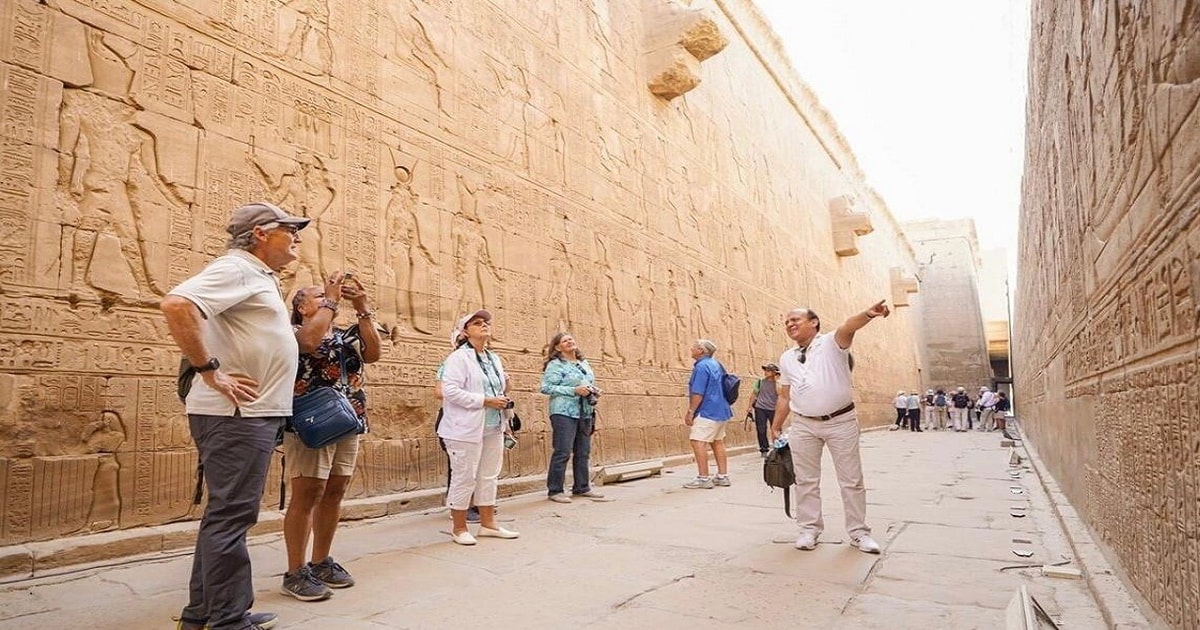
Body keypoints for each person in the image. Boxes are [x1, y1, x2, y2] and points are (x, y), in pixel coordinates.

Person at [161, 201, 311, 630]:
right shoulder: (239, 268)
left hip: (248, 414)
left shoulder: (256, 274)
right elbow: (176, 305)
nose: (296, 237)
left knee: (225, 516)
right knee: (232, 517)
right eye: (289, 229)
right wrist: (211, 370)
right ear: (261, 234)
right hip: (236, 415)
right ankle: (228, 621)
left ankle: (205, 613)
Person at [279, 274, 382, 601]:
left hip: (348, 417)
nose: (327, 299)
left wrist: (362, 306)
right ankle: (295, 572)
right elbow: (309, 344)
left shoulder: (342, 334)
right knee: (308, 492)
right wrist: (334, 301)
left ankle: (321, 560)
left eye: (328, 296)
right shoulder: (292, 332)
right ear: (301, 307)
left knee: (335, 490)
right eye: (318, 296)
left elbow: (373, 353)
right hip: (311, 420)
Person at [769, 301, 890, 554]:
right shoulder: (787, 357)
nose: (790, 324)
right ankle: (809, 529)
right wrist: (777, 425)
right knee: (805, 480)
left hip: (841, 422)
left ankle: (858, 532)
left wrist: (869, 314)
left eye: (795, 319)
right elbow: (784, 395)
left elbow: (849, 326)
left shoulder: (832, 343)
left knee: (851, 480)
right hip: (803, 424)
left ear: (813, 322)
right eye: (787, 322)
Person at [438, 309, 520, 545]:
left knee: (488, 475)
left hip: (493, 424)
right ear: (465, 331)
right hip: (464, 428)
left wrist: (504, 390)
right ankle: (459, 527)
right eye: (477, 323)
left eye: (485, 322)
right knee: (464, 477)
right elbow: (449, 391)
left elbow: (497, 388)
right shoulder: (457, 358)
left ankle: (488, 524)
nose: (484, 325)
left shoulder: (493, 358)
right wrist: (484, 400)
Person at [540, 332, 608, 503]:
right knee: (562, 450)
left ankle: (582, 487)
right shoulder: (556, 365)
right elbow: (546, 387)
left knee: (583, 451)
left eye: (571, 339)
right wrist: (573, 391)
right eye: (565, 340)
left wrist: (593, 390)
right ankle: (555, 490)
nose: (569, 341)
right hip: (563, 412)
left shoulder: (583, 363)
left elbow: (586, 382)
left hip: (584, 411)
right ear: (557, 347)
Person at [682, 340, 734, 489]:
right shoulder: (716, 364)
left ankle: (703, 478)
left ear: (701, 350)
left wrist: (691, 411)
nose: (691, 349)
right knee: (717, 442)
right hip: (721, 409)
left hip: (707, 410)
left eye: (694, 347)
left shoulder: (701, 366)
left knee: (698, 441)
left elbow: (698, 392)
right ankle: (722, 476)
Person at [745, 363, 781, 455]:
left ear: (774, 373)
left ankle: (778, 448)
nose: (766, 372)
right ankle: (764, 449)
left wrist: (777, 381)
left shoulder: (778, 383)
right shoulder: (760, 382)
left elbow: (780, 393)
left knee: (776, 428)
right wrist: (749, 407)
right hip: (760, 407)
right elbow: (754, 394)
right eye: (765, 370)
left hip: (774, 409)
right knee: (761, 429)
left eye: (768, 370)